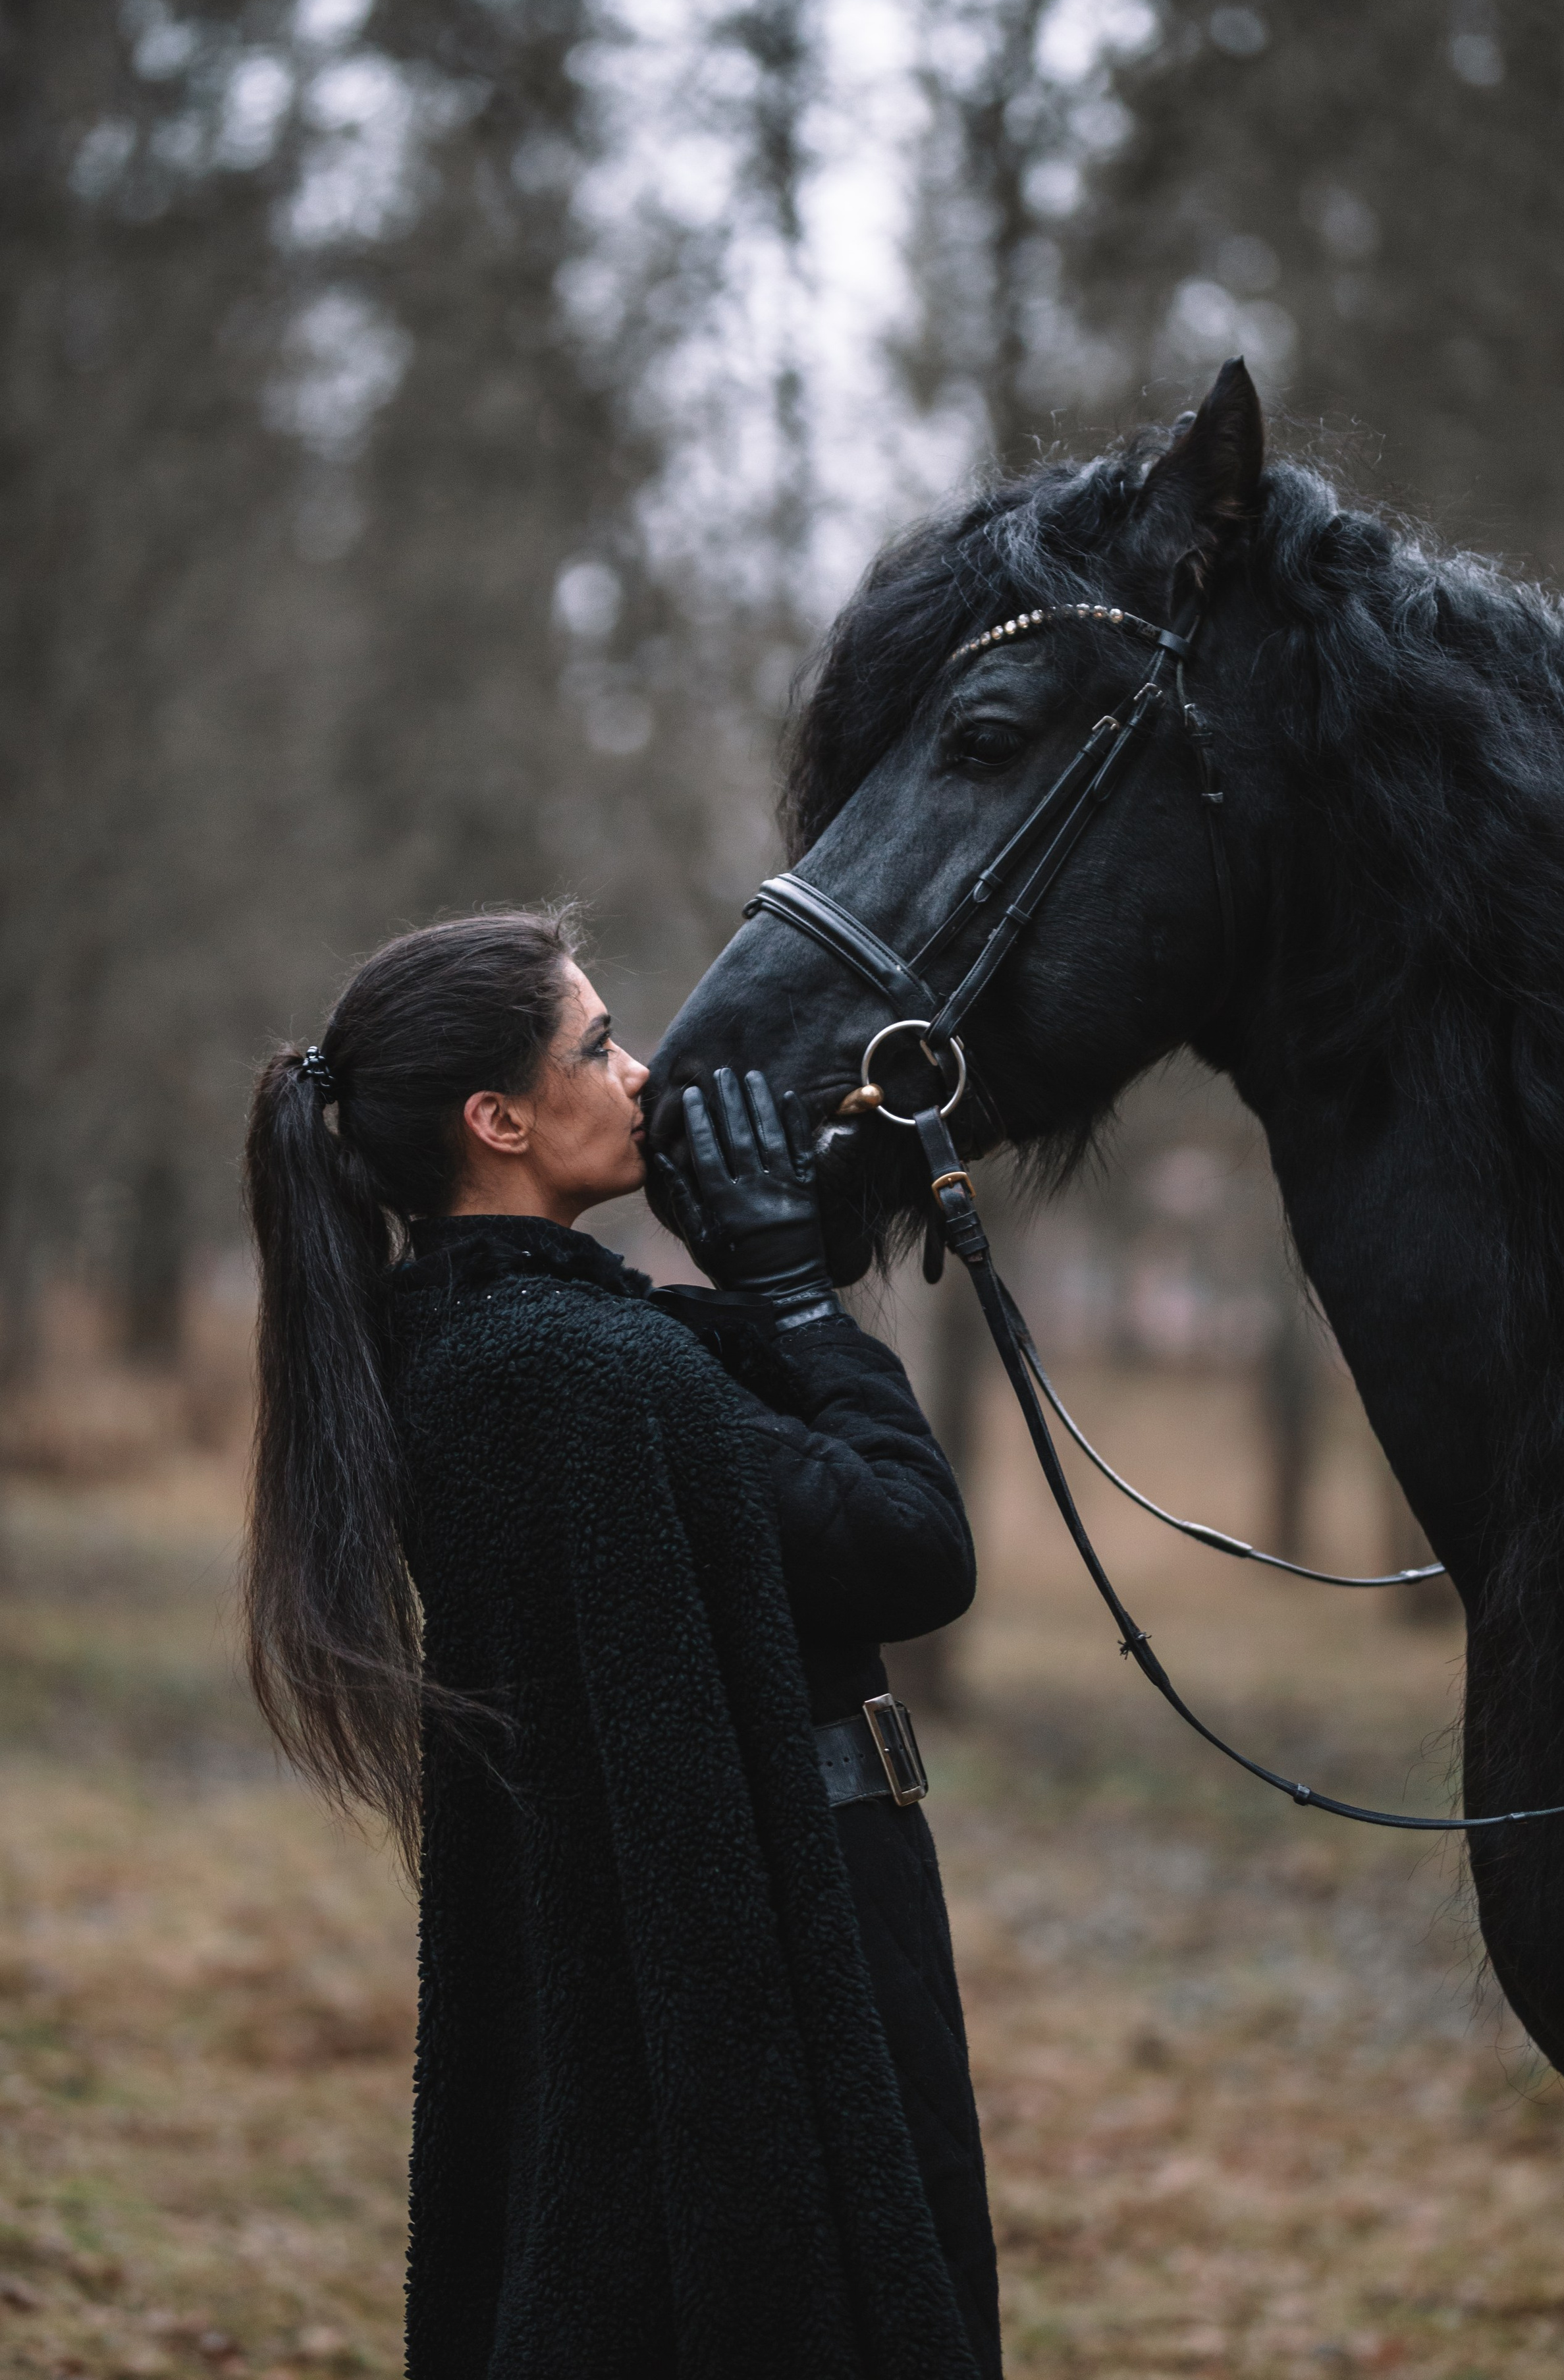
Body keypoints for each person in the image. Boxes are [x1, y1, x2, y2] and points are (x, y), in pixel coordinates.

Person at [240, 906, 1000, 2379]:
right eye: (600, 1043)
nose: (646, 1074)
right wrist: (789, 1292)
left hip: (755, 1913)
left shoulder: (492, 1348)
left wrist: (765, 1283)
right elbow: (914, 1547)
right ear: (498, 1116)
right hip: (805, 1920)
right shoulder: (583, 1371)